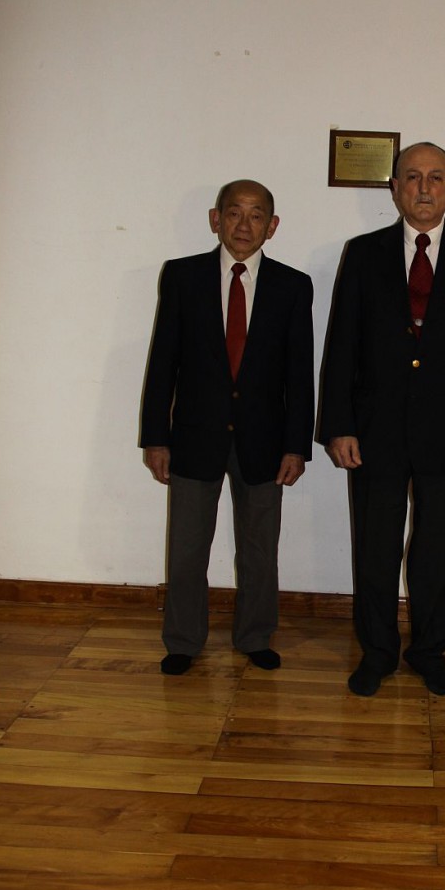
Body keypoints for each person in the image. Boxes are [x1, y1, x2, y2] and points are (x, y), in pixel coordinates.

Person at [319, 142, 445, 697]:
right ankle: (376, 652)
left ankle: (430, 651)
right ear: (395, 188)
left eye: (436, 177)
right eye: (412, 177)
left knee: (437, 550)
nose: (424, 188)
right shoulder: (363, 252)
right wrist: (339, 423)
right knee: (374, 547)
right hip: (373, 431)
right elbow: (341, 345)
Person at [140, 179, 314, 675]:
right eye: (233, 213)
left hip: (265, 441)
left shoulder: (292, 285)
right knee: (188, 547)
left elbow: (299, 375)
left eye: (256, 215)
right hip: (194, 436)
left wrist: (296, 446)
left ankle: (255, 635)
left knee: (260, 547)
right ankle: (182, 640)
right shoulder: (183, 277)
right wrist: (156, 436)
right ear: (216, 220)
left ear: (272, 226)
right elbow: (163, 363)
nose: (244, 224)